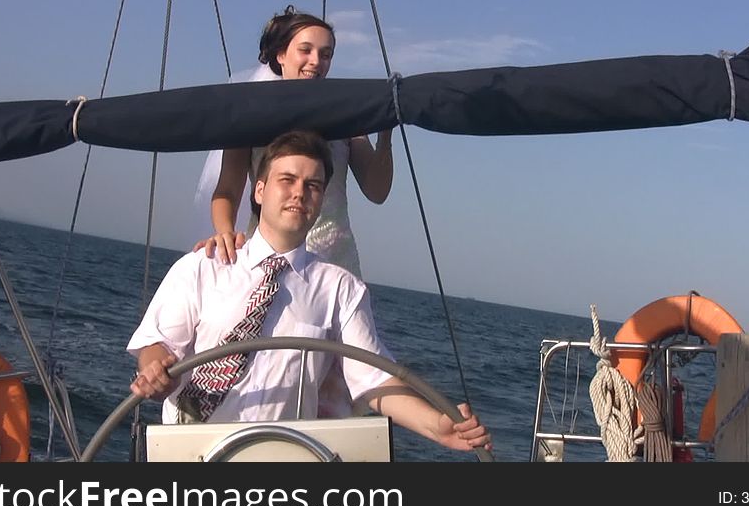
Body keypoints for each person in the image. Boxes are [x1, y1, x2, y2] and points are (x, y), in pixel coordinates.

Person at [131, 130, 491, 454]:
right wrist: (156, 372)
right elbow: (159, 346)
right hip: (189, 453)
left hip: (286, 456)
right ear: (259, 189)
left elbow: (372, 379)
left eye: (313, 186)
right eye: (287, 180)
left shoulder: (341, 289)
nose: (299, 193)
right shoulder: (202, 267)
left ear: (321, 200)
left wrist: (437, 427)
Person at [193, 5, 393, 278]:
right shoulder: (250, 116)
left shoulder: (346, 119)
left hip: (334, 262)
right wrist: (225, 232)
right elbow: (227, 190)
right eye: (306, 50)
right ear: (281, 55)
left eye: (326, 55)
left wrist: (385, 131)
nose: (316, 61)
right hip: (268, 254)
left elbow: (377, 191)